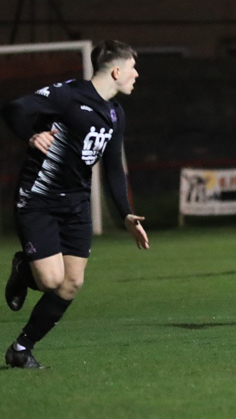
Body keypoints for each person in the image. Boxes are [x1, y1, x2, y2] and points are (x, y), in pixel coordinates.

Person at [2, 40, 149, 369]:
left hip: (76, 203)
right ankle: (22, 269)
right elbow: (13, 109)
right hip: (39, 197)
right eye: (132, 68)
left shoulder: (115, 114)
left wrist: (125, 213)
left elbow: (113, 167)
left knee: (72, 283)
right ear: (115, 71)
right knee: (50, 281)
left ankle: (21, 349)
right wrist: (30, 135)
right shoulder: (67, 95)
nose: (136, 74)